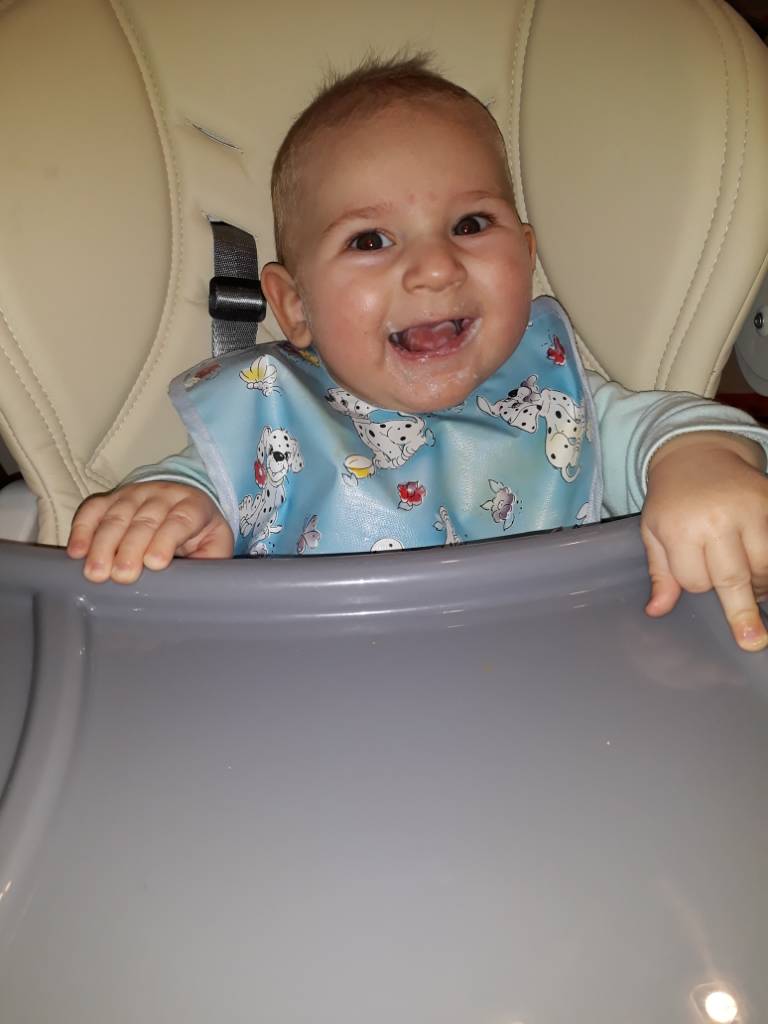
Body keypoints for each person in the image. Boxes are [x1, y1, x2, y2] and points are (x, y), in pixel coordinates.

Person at [67, 55, 768, 652]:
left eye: (471, 224)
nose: (435, 267)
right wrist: (172, 509)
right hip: (319, 704)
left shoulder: (555, 396)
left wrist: (702, 463)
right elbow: (201, 488)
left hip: (563, 686)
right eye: (370, 240)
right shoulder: (268, 415)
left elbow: (670, 432)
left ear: (526, 257)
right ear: (295, 304)